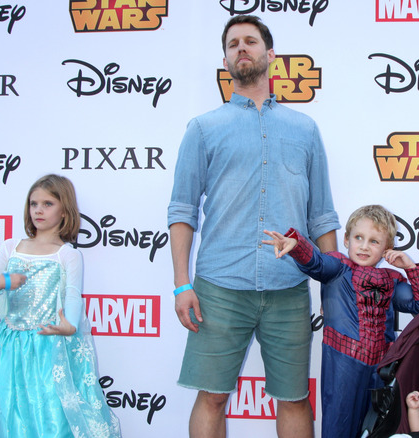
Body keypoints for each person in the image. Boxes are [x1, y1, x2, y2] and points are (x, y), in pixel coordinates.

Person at [167, 15, 340, 438]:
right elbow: (182, 211)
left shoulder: (305, 129)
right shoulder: (203, 129)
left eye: (250, 41)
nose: (241, 48)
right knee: (211, 396)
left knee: (295, 397)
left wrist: (335, 290)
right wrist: (180, 284)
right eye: (232, 44)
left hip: (289, 288)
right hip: (219, 288)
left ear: (270, 55)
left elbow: (322, 216)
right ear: (225, 59)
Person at [263, 204, 419, 438]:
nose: (364, 246)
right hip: (343, 362)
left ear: (387, 248)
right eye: (359, 238)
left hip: (382, 366)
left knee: (377, 427)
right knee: (338, 425)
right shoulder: (339, 267)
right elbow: (317, 262)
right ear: (346, 239)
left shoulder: (393, 279)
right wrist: (297, 245)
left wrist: (412, 268)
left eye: (374, 241)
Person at [0, 174, 121, 438]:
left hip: (49, 348)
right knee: (12, 413)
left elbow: (73, 296)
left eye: (48, 204)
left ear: (65, 211)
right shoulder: (11, 248)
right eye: (33, 204)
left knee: (52, 414)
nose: (38, 210)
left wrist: (69, 325)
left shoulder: (68, 254)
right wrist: (2, 281)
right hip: (11, 348)